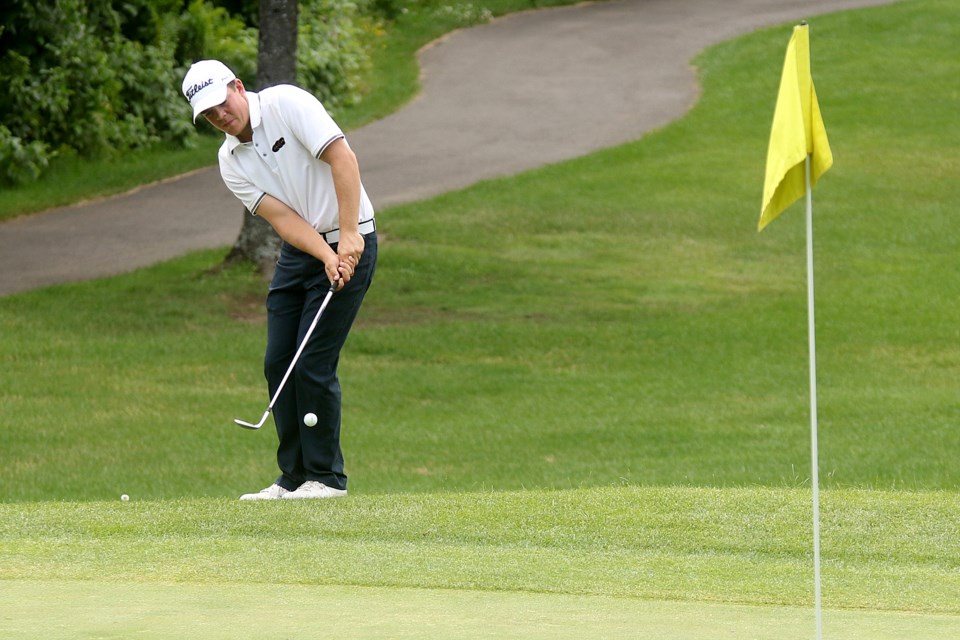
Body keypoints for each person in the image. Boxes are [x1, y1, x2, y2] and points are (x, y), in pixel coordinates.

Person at [181, 60, 377, 500]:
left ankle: (326, 478)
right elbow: (284, 220)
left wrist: (347, 238)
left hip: (353, 236)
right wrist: (325, 254)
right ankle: (292, 478)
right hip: (303, 250)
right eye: (208, 114)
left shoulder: (287, 103)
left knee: (311, 362)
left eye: (221, 104)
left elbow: (342, 159)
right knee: (278, 363)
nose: (219, 116)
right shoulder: (229, 159)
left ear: (238, 86)